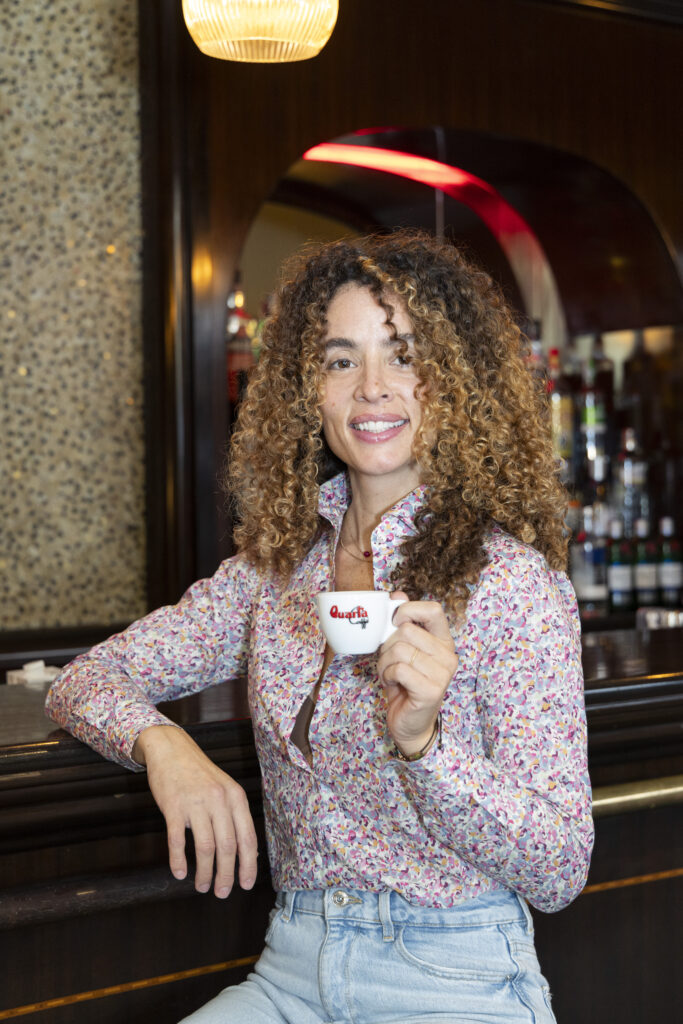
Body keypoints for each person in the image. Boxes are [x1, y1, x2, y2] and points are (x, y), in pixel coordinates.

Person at [46, 229, 593, 1023]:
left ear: (456, 381)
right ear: (309, 389)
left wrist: (425, 747)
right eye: (341, 360)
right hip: (293, 966)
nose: (372, 387)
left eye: (403, 355)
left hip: (452, 975)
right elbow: (86, 679)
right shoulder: (275, 570)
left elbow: (559, 867)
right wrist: (163, 748)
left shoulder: (511, 583)